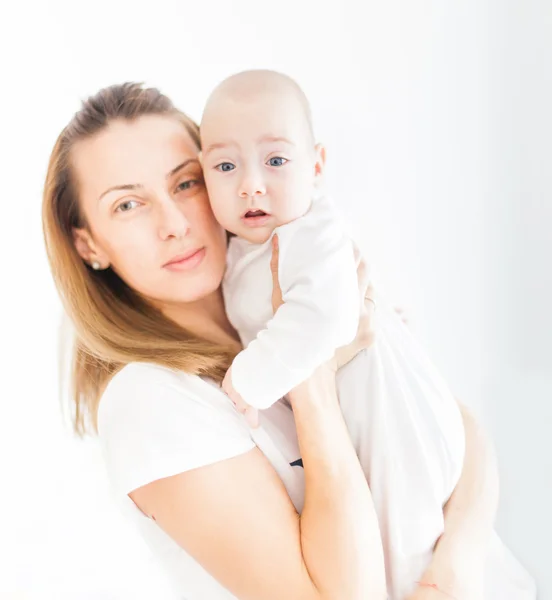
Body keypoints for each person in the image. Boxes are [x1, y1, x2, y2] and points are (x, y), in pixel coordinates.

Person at [42, 82, 531, 600]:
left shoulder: (281, 295)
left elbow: (452, 423)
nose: (175, 223)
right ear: (88, 244)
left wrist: (460, 556)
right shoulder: (150, 400)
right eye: (127, 205)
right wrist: (313, 375)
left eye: (185, 184)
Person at [202, 70, 465, 598]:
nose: (251, 183)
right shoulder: (239, 248)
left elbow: (322, 319)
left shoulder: (309, 228)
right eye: (226, 166)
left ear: (316, 165)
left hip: (391, 409)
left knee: (406, 545)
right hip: (362, 414)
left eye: (276, 161)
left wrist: (250, 379)